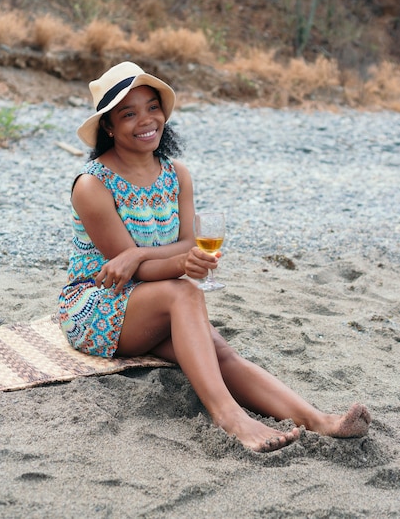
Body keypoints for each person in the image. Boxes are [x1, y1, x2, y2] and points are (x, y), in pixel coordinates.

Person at [58, 61, 371, 453]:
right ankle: (230, 418)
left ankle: (319, 420)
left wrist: (140, 253)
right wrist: (165, 261)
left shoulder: (176, 175)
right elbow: (129, 271)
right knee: (185, 293)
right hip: (97, 303)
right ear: (108, 126)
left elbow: (189, 242)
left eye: (152, 108)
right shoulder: (92, 184)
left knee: (219, 352)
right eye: (129, 113)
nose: (146, 120)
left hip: (152, 300)